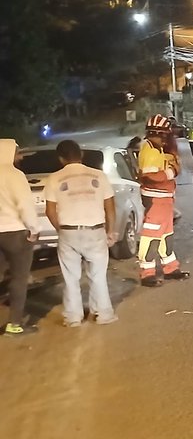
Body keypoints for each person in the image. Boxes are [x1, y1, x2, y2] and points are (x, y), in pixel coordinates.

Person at [43, 140, 119, 327]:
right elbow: (109, 206)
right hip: (95, 231)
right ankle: (103, 314)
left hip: (69, 231)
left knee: (70, 278)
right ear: (81, 155)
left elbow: (50, 211)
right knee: (98, 275)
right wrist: (111, 230)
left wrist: (61, 230)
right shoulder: (99, 176)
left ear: (61, 159)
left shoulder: (53, 178)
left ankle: (73, 317)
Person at [137, 115, 189, 287]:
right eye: (167, 135)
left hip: (164, 199)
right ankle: (147, 273)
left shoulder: (158, 149)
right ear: (161, 134)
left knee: (166, 236)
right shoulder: (150, 150)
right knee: (151, 236)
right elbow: (151, 176)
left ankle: (170, 268)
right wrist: (171, 172)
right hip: (156, 199)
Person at [0, 139, 40, 336]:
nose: (20, 157)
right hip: (15, 232)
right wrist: (34, 228)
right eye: (17, 153)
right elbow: (25, 205)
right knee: (19, 278)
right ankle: (14, 324)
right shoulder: (14, 175)